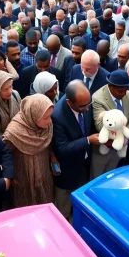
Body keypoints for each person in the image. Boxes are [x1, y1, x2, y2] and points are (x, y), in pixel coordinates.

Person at [52, 80, 100, 219]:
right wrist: (88, 140)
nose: (87, 109)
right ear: (69, 102)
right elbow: (62, 148)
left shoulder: (84, 103)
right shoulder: (57, 116)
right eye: (82, 106)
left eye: (88, 104)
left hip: (84, 163)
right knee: (64, 209)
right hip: (67, 170)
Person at [3, 94, 55, 207]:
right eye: (45, 117)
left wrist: (53, 158)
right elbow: (4, 154)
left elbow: (49, 145)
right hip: (24, 179)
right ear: (33, 115)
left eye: (50, 116)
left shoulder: (47, 126)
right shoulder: (14, 132)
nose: (50, 121)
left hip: (44, 174)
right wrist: (9, 175)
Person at [91, 71, 129, 178]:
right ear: (110, 87)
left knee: (111, 177)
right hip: (103, 149)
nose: (124, 94)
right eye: (120, 91)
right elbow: (100, 125)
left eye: (126, 90)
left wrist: (125, 137)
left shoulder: (127, 95)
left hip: (119, 148)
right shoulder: (98, 98)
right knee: (97, 179)